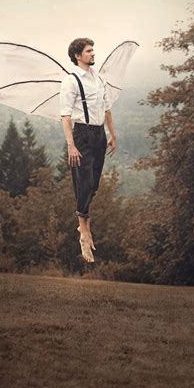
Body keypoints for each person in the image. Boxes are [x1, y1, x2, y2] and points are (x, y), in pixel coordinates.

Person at [60, 38, 117, 263]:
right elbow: (65, 116)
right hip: (81, 134)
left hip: (99, 134)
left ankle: (84, 223)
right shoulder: (71, 81)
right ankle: (84, 232)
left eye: (93, 50)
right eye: (88, 51)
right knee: (83, 182)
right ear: (77, 55)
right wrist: (71, 145)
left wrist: (113, 134)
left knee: (93, 184)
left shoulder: (99, 78)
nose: (93, 54)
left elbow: (107, 109)